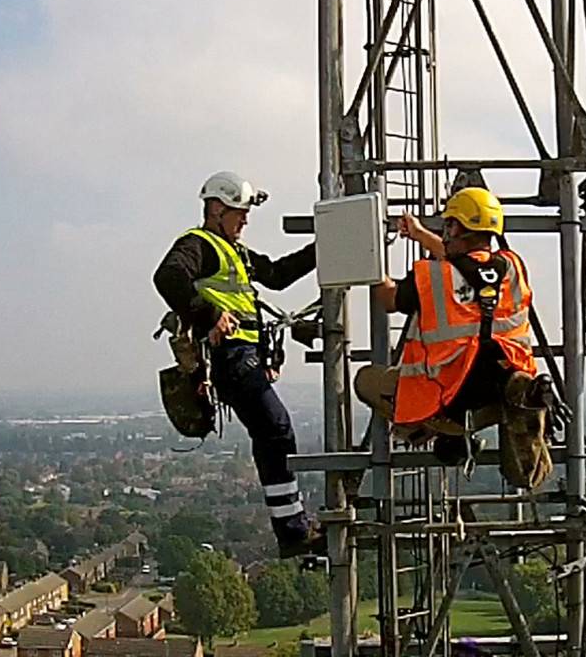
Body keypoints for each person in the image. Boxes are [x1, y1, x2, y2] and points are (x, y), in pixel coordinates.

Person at [153, 171, 323, 557]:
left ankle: (292, 529)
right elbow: (168, 278)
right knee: (276, 431)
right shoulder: (198, 245)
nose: (244, 220)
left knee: (272, 434)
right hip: (230, 359)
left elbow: (277, 275)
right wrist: (209, 314)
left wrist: (325, 245)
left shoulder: (236, 252)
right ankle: (292, 530)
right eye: (238, 213)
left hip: (245, 359)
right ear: (215, 209)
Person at [355, 187, 556, 489]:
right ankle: (513, 406)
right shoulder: (512, 267)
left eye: (449, 224)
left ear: (458, 227)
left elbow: (388, 298)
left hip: (450, 395)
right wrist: (421, 234)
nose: (445, 232)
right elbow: (467, 267)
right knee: (498, 376)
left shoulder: (433, 276)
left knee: (366, 382)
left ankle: (448, 432)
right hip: (501, 385)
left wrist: (368, 257)